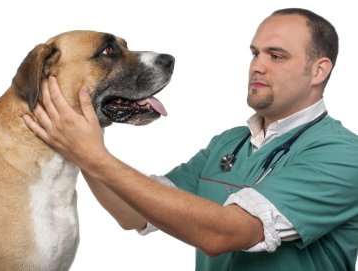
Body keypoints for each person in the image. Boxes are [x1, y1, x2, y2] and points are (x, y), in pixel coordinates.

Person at [22, 8, 358, 271]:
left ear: (319, 71)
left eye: (277, 56)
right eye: (255, 53)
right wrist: (83, 144)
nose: (258, 66)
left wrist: (94, 156)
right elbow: (133, 213)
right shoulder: (230, 144)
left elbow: (226, 233)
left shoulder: (345, 155)